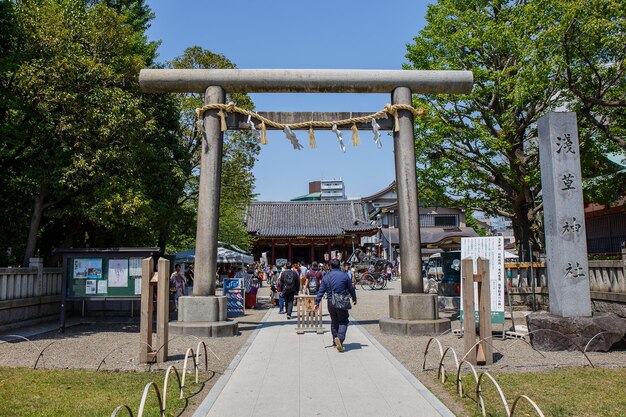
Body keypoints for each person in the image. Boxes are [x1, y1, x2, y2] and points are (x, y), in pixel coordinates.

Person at [315, 258, 357, 352]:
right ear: (339, 265)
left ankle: (335, 340)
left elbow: (321, 291)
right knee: (343, 321)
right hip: (342, 301)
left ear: (330, 266)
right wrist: (354, 298)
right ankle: (340, 338)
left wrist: (317, 302)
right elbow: (351, 288)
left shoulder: (326, 277)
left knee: (334, 321)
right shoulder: (345, 275)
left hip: (331, 302)